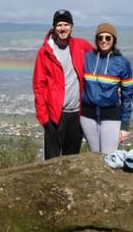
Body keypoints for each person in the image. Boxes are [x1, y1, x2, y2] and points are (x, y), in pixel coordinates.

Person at [32, 9, 93, 160]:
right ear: (54, 27)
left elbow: (100, 63)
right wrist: (44, 118)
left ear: (72, 27)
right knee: (52, 161)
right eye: (59, 25)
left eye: (66, 24)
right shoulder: (45, 52)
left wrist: (116, 85)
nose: (63, 28)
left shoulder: (82, 46)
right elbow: (38, 86)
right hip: (55, 116)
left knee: (71, 159)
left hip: (77, 114)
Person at [80, 22, 133, 154]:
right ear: (96, 39)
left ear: (113, 40)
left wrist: (125, 125)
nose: (103, 41)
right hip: (87, 115)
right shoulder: (87, 58)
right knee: (94, 156)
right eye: (100, 37)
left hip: (111, 114)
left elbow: (127, 95)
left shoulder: (122, 63)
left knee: (107, 156)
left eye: (108, 38)